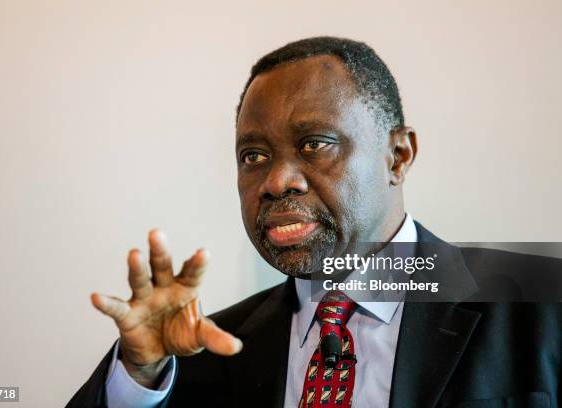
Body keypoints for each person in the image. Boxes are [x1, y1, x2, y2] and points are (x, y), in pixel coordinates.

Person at [67, 37, 560, 408]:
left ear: (398, 156)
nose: (277, 181)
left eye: (315, 144)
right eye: (253, 155)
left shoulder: (542, 303)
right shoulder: (206, 351)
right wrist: (140, 373)